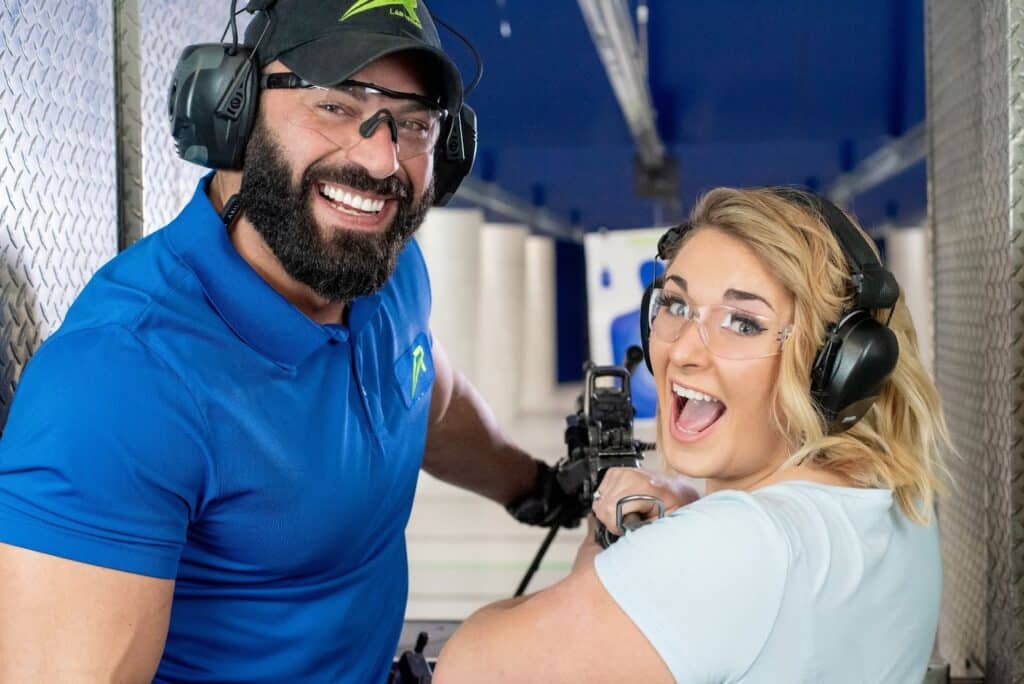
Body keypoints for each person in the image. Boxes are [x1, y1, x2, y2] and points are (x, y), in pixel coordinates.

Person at [0, 1, 579, 681]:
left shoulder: (386, 273)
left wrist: (539, 488)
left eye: (415, 122)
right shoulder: (121, 382)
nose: (381, 156)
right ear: (231, 112)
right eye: (334, 104)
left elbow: (425, 393)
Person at [434, 187, 951, 683]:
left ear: (833, 366)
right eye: (676, 306)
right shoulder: (898, 506)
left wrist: (606, 540)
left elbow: (467, 667)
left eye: (742, 322)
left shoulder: (733, 547)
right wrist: (690, 516)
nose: (682, 350)